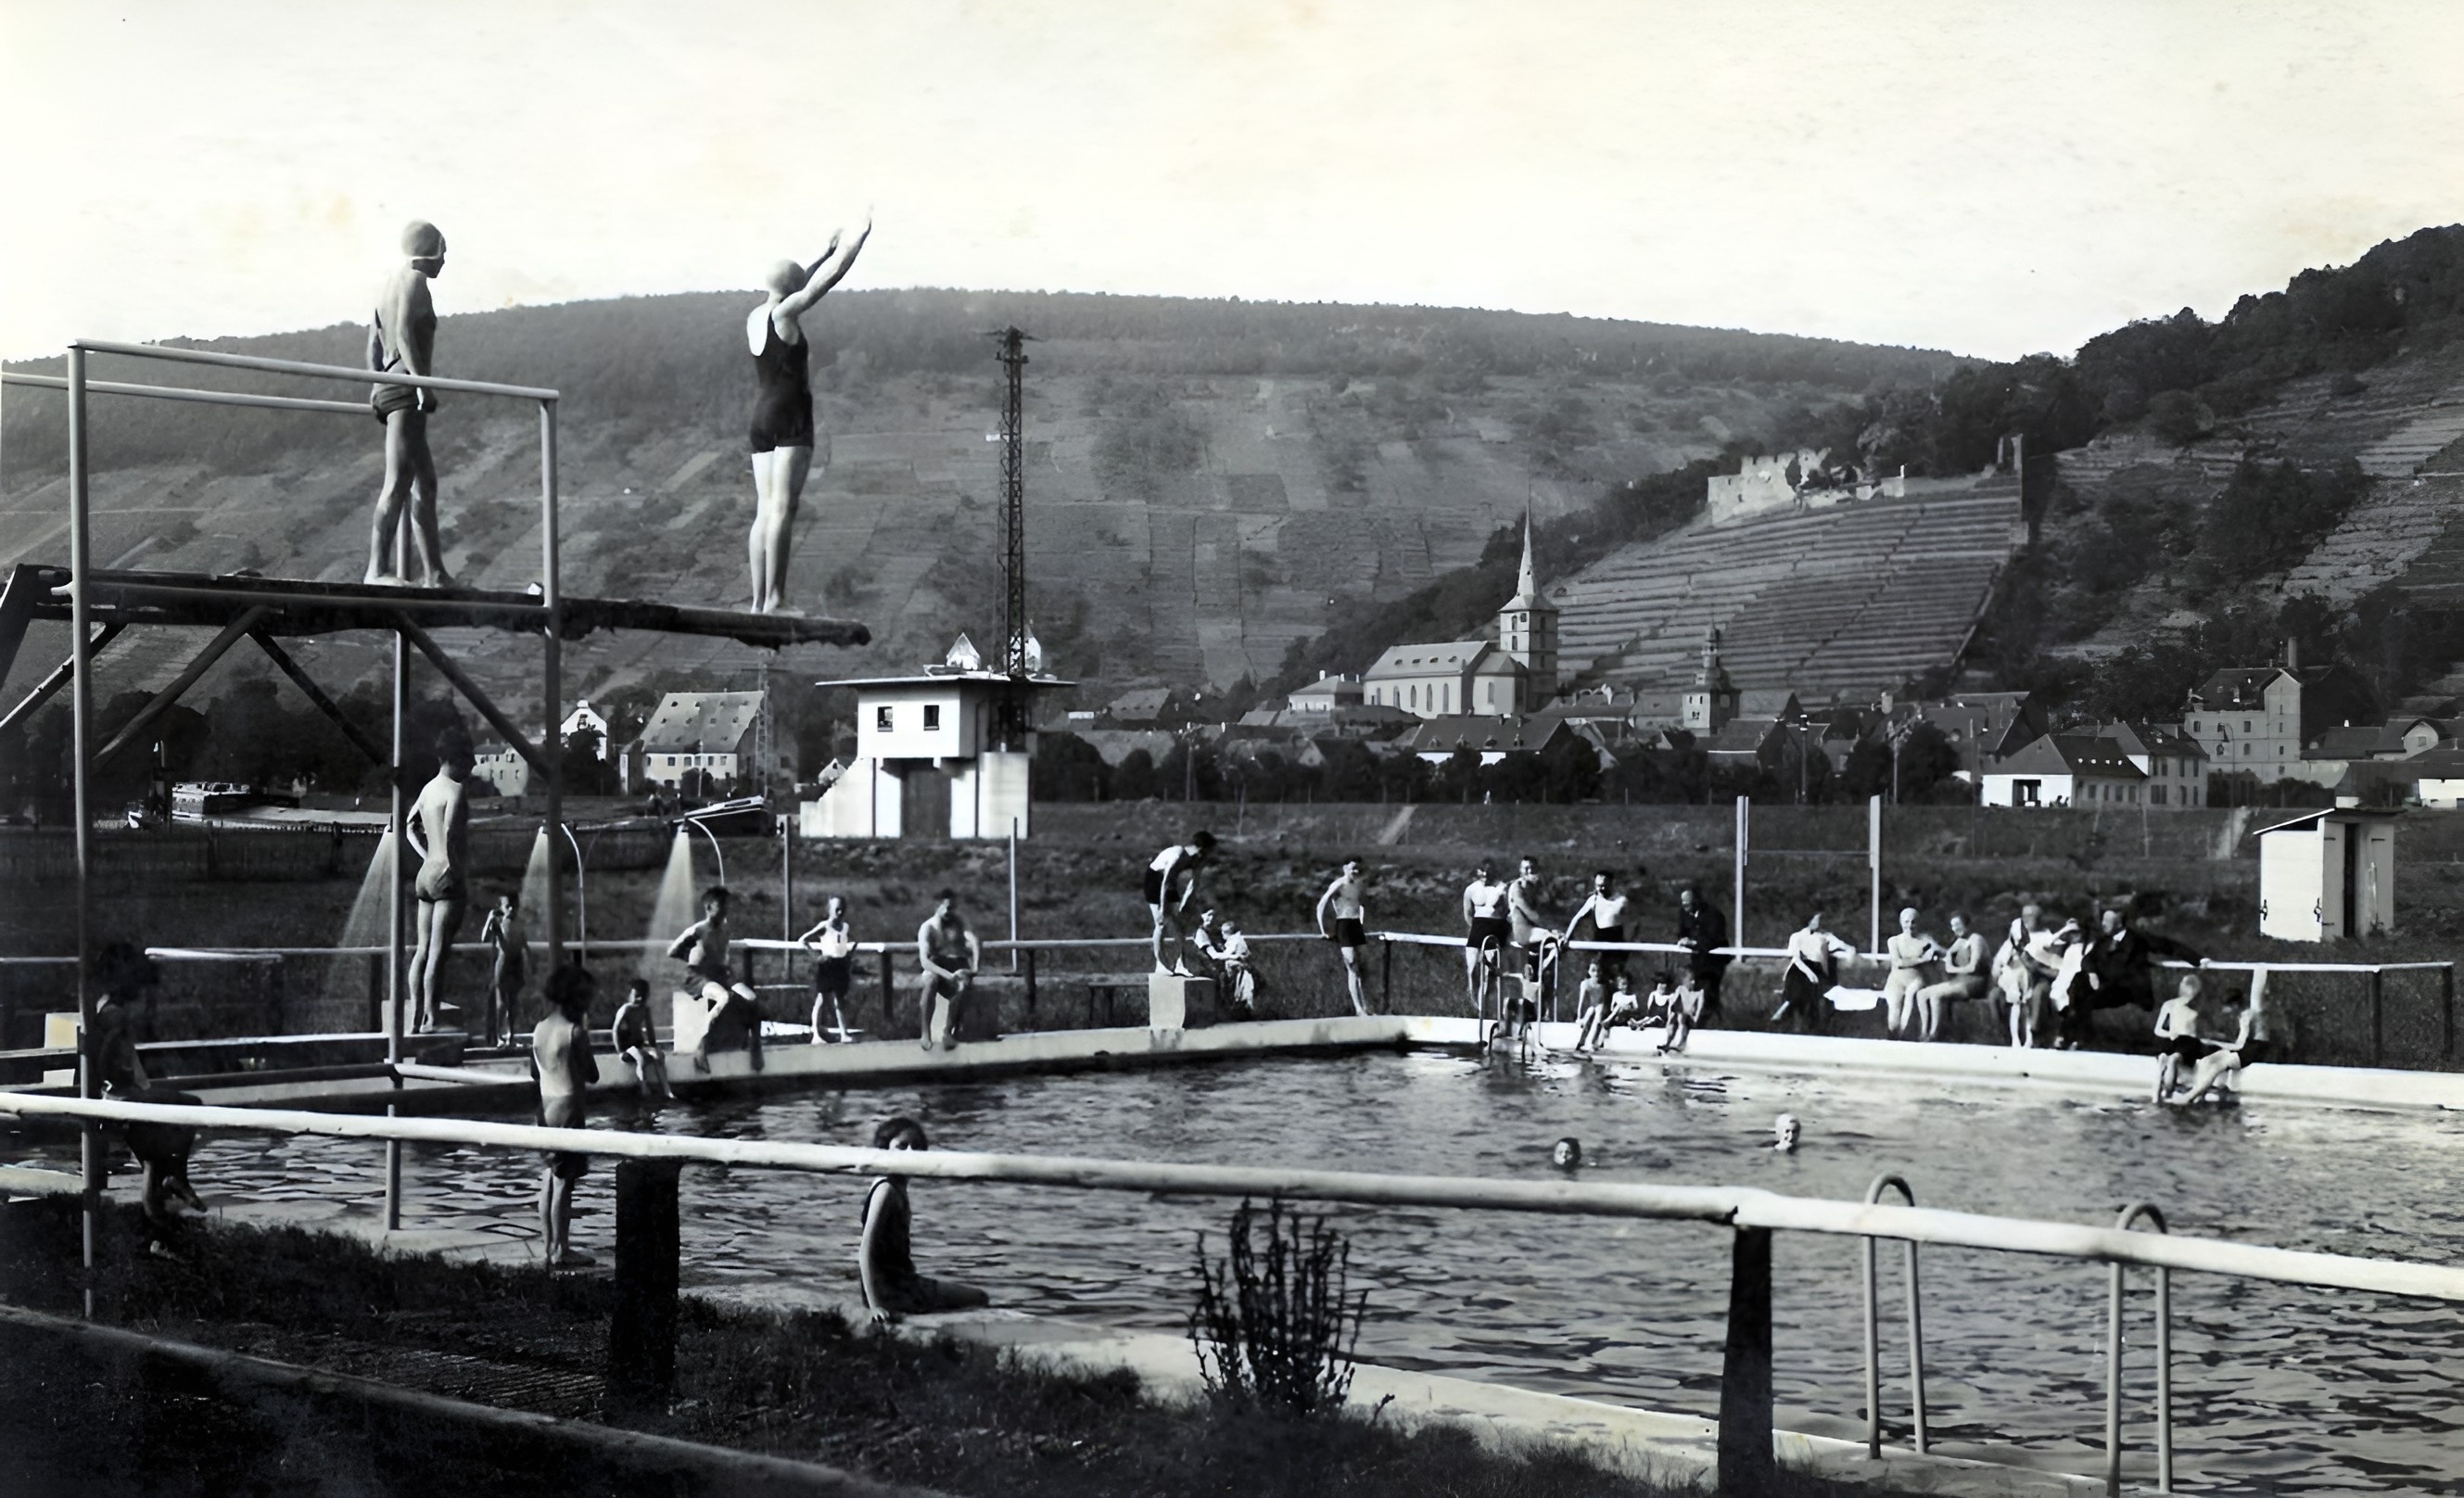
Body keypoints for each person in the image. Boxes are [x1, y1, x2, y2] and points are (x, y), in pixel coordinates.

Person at [745, 220, 872, 614]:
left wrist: (822, 252)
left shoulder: (756, 316)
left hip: (761, 417)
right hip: (791, 415)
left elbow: (797, 284)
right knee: (785, 508)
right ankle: (776, 599)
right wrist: (855, 244)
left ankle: (756, 602)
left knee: (764, 510)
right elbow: (823, 284)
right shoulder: (786, 316)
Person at [89, 944, 205, 1243]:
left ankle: (161, 1225)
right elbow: (106, 1057)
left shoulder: (103, 1006)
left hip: (116, 1093)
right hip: (119, 1097)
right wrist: (119, 1077)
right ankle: (177, 1178)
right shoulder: (114, 1015)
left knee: (154, 1153)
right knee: (193, 1106)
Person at [365, 220, 451, 586]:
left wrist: (375, 386)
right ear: (430, 251)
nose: (444, 262)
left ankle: (435, 573)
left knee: (425, 483)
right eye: (443, 252)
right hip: (405, 389)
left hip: (390, 386)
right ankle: (376, 571)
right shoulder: (416, 281)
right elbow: (401, 333)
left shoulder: (386, 285)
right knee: (400, 481)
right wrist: (422, 386)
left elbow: (373, 344)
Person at [858, 1116, 990, 1323]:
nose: (910, 1153)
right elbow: (865, 1250)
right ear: (885, 1149)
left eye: (916, 1147)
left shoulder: (896, 1185)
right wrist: (875, 1306)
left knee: (969, 1298)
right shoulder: (886, 1190)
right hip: (895, 1290)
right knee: (979, 1297)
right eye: (902, 1146)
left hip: (900, 1283)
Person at [404, 723, 474, 1035]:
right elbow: (449, 832)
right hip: (447, 875)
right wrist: (452, 864)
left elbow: (408, 826)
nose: (471, 766)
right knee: (438, 953)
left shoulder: (428, 789)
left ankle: (415, 1015)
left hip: (425, 873)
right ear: (456, 759)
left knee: (421, 949)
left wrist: (427, 856)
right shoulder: (455, 790)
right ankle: (432, 1017)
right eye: (467, 761)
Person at [531, 963, 599, 1269]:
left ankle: (548, 1246)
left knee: (548, 1177)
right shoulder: (575, 1032)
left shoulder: (540, 1028)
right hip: (569, 1110)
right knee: (564, 1183)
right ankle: (562, 1249)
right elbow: (593, 1074)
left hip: (544, 1107)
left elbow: (536, 1072)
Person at [2072, 907, 2206, 1049]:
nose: (2103, 924)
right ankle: (2078, 1038)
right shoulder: (2103, 941)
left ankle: (2079, 1038)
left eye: (2107, 921)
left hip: (2128, 992)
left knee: (2084, 998)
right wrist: (2092, 973)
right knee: (2078, 987)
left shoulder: (2137, 939)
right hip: (2106, 988)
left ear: (2118, 923)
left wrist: (2198, 960)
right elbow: (2087, 960)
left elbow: (2168, 946)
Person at [667, 885, 764, 1073]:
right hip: (697, 976)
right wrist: (692, 956)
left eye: (727, 904)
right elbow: (672, 951)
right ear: (709, 907)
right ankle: (702, 1045)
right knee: (725, 998)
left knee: (751, 999)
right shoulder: (698, 930)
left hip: (719, 975)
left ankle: (755, 1046)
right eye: (722, 905)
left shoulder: (725, 930)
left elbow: (723, 958)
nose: (726, 909)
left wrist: (731, 977)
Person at [916, 890, 980, 1052]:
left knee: (965, 985)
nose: (948, 912)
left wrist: (975, 967)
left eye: (952, 908)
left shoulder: (959, 922)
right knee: (931, 981)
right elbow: (925, 962)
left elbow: (973, 940)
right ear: (937, 906)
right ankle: (925, 1032)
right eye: (946, 908)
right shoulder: (928, 928)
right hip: (935, 967)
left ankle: (948, 1031)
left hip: (954, 965)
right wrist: (948, 975)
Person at [1146, 832, 1216, 975]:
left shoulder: (1199, 859)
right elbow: (1165, 881)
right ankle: (1160, 963)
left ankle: (1180, 964)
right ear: (1202, 848)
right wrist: (1164, 907)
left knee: (1179, 925)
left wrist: (1184, 904)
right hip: (1155, 881)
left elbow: (1193, 885)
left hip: (1169, 883)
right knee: (1161, 922)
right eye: (1209, 851)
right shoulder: (1178, 855)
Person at [1772, 912, 1855, 1034]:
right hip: (1800, 968)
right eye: (1815, 920)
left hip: (1817, 968)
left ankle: (1794, 1013)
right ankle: (1790, 1011)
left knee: (1811, 989)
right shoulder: (1797, 936)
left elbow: (1848, 948)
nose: (1818, 923)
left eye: (1819, 920)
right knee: (1800, 981)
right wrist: (1809, 973)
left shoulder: (1825, 936)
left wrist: (1850, 958)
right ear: (1808, 921)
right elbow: (1796, 959)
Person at [1915, 912, 1987, 1042]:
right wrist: (1933, 946)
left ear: (1967, 925)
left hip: (1974, 982)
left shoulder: (1976, 939)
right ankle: (1923, 1031)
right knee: (1921, 994)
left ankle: (1934, 1033)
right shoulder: (1960, 941)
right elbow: (1947, 953)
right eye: (1953, 926)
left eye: (1958, 925)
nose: (1955, 929)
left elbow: (1973, 967)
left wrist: (1952, 968)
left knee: (1935, 995)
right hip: (1959, 980)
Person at [1315, 859, 1373, 1017]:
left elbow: (1360, 905)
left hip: (1356, 925)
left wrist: (1362, 921)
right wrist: (1323, 930)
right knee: (1352, 965)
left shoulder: (1358, 885)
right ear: (1345, 869)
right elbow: (1321, 905)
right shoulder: (1338, 885)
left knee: (1364, 965)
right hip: (1344, 924)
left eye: (1356, 870)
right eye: (1351, 869)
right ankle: (1358, 1009)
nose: (1354, 872)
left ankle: (1367, 1006)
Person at [799, 895, 857, 1042]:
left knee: (840, 1000)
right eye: (837, 909)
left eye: (842, 909)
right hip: (827, 965)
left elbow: (854, 940)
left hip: (840, 965)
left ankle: (844, 1033)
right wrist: (816, 957)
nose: (840, 913)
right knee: (821, 999)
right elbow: (803, 940)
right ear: (830, 910)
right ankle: (816, 1034)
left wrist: (849, 954)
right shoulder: (825, 926)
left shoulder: (845, 927)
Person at [1461, 859, 1513, 1021]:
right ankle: (1473, 1008)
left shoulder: (1501, 888)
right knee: (1472, 971)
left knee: (1489, 974)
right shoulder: (1471, 890)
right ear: (1477, 872)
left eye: (1488, 873)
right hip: (1477, 929)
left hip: (1495, 929)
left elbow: (1508, 911)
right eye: (1482, 872)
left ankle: (1487, 1012)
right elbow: (1468, 912)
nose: (1485, 876)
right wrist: (1476, 928)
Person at [1881, 908, 1942, 1039]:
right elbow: (1898, 962)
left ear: (1918, 923)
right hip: (1896, 980)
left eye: (1913, 922)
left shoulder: (1924, 939)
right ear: (1901, 922)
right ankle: (1892, 1035)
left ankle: (1902, 1035)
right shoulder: (1894, 941)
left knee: (1910, 995)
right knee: (1894, 1009)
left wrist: (1934, 951)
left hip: (1915, 979)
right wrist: (1922, 959)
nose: (1909, 925)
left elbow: (1941, 950)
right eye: (1906, 921)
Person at [1563, 870, 1632, 984]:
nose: (1601, 889)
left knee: (1616, 979)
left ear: (1611, 883)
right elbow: (1577, 918)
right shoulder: (1593, 900)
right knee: (1596, 979)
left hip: (1616, 946)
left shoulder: (1621, 901)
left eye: (1604, 886)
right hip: (1598, 945)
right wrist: (1567, 937)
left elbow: (1633, 923)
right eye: (1598, 886)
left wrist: (1629, 943)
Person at [477, 890, 527, 1048]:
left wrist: (531, 960)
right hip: (503, 961)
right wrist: (489, 920)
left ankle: (511, 1035)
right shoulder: (497, 921)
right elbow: (484, 938)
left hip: (516, 961)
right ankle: (498, 1035)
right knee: (501, 1002)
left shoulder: (519, 922)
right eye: (508, 906)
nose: (511, 909)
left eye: (513, 906)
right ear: (502, 908)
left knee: (513, 1002)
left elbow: (524, 941)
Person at [611, 978, 672, 1101]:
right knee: (640, 1058)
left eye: (642, 997)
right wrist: (620, 1050)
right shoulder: (626, 1009)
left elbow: (650, 1029)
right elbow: (615, 1030)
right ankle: (644, 1090)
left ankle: (667, 1091)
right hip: (627, 1046)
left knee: (659, 1056)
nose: (639, 999)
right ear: (631, 995)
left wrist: (653, 1047)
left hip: (639, 1043)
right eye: (636, 996)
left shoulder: (645, 1009)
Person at [2151, 972, 2208, 1105]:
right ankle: (2157, 1098)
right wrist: (2171, 1033)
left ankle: (2168, 1094)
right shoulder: (2170, 1005)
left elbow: (2199, 1033)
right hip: (2174, 1039)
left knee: (2173, 1058)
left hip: (2189, 1042)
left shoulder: (2197, 1009)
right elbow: (2158, 1029)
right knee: (2163, 1058)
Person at [1676, 886, 1732, 1016]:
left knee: (1710, 989)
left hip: (1715, 960)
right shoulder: (1683, 913)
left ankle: (1714, 1017)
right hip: (1697, 959)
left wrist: (1694, 943)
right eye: (1683, 904)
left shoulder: (1714, 915)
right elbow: (1681, 931)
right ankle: (1697, 1016)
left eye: (1688, 904)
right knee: (1697, 987)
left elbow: (1714, 938)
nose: (1685, 907)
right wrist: (1683, 939)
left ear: (1696, 901)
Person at [1213, 918, 1259, 1016]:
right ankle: (1238, 1007)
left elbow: (1227, 954)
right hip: (1240, 967)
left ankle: (1234, 1008)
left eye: (1223, 932)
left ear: (1226, 933)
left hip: (1237, 969)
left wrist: (1218, 954)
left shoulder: (1234, 940)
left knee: (1234, 987)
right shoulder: (1239, 939)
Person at [1571, 959, 1612, 1051]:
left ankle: (1589, 1042)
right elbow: (1581, 1001)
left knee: (1598, 1013)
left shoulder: (1602, 985)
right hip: (1592, 1006)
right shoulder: (1585, 983)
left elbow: (1603, 1002)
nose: (1596, 974)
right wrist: (1579, 1015)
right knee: (1590, 1012)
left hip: (1600, 1007)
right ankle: (1581, 1041)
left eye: (1598, 971)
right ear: (1589, 972)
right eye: (1593, 971)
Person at [1661, 972, 1706, 1055]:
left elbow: (1699, 1007)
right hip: (1680, 1016)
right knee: (1676, 1016)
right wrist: (1670, 1015)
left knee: (1682, 1017)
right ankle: (1668, 1042)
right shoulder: (1681, 989)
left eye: (1693, 982)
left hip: (1691, 1018)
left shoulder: (1699, 992)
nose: (1691, 984)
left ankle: (1681, 1043)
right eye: (1689, 982)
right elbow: (1672, 1002)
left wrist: (1696, 1018)